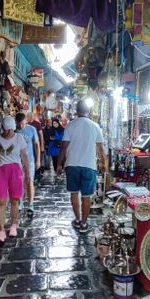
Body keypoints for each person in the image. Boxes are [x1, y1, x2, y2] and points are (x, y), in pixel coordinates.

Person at [56, 99, 106, 233]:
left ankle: (77, 219)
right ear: (88, 111)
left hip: (71, 165)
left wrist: (59, 165)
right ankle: (84, 224)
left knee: (74, 194)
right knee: (86, 196)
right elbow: (100, 149)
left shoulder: (70, 126)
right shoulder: (95, 126)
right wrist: (103, 163)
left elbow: (63, 147)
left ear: (76, 111)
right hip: (89, 165)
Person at [0, 116, 30, 243]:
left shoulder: (19, 138)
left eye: (11, 130)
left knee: (14, 200)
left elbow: (24, 156)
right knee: (1, 200)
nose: (8, 133)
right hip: (1, 171)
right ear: (2, 128)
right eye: (6, 130)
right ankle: (1, 230)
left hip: (15, 171)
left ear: (14, 129)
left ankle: (13, 225)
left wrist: (27, 172)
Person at [16, 112, 40, 215]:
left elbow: (36, 145)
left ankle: (30, 205)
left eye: (22, 123)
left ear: (26, 121)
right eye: (19, 124)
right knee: (19, 182)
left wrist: (38, 160)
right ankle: (20, 202)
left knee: (29, 182)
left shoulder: (32, 129)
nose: (21, 126)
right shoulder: (14, 130)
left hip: (29, 160)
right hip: (17, 161)